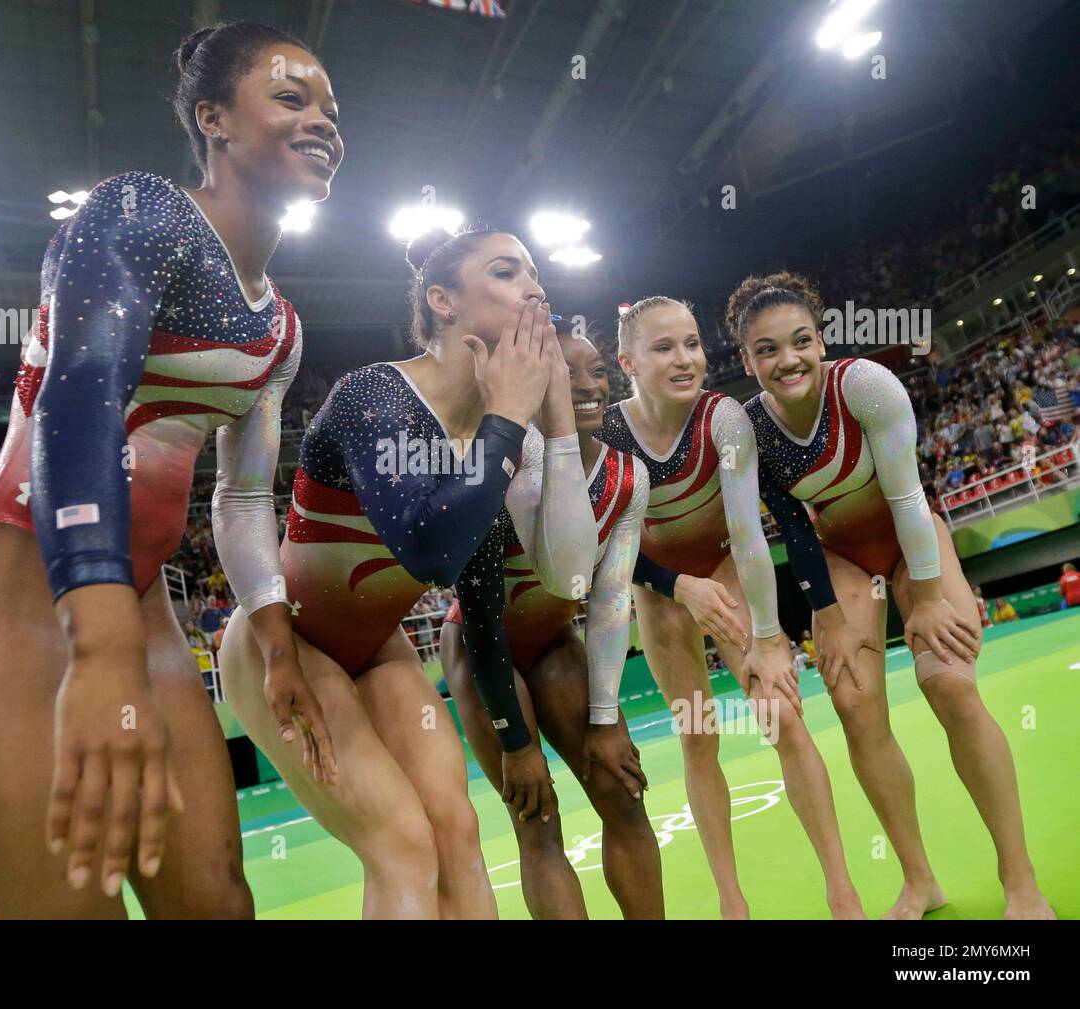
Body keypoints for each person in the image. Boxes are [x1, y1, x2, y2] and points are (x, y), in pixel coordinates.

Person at [0, 21, 344, 918]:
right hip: (11, 573)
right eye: (291, 99)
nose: (323, 122)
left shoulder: (282, 330)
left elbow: (246, 493)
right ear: (212, 119)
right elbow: (83, 395)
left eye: (332, 109)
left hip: (139, 606)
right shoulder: (141, 209)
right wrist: (96, 650)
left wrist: (274, 634)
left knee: (218, 904)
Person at [220, 228, 585, 918]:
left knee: (457, 833)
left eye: (537, 273)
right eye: (507, 272)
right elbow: (431, 549)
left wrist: (555, 417)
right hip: (286, 643)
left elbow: (526, 587)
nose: (535, 288)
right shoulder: (375, 395)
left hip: (377, 650)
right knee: (403, 844)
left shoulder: (496, 438)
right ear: (441, 300)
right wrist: (509, 417)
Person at [726, 270, 1053, 919]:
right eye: (767, 349)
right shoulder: (747, 429)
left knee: (951, 684)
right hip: (843, 558)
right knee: (853, 701)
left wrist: (927, 598)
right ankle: (918, 878)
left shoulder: (865, 387)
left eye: (800, 341)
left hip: (913, 544)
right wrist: (821, 614)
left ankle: (1021, 881)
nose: (787, 359)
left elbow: (908, 494)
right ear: (747, 359)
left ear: (820, 340)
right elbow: (789, 525)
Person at [598, 295, 862, 919]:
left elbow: (748, 534)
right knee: (698, 736)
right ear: (627, 359)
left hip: (724, 567)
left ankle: (843, 894)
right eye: (665, 348)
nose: (687, 359)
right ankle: (732, 903)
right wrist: (671, 585)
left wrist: (769, 638)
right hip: (658, 588)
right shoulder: (607, 433)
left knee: (784, 717)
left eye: (692, 343)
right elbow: (601, 552)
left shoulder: (723, 419)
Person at [439, 321, 661, 919]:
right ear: (534, 382)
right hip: (484, 653)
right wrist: (516, 740)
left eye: (597, 371)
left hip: (554, 641)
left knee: (623, 793)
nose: (589, 385)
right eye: (567, 373)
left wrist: (607, 718)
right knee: (537, 819)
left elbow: (613, 600)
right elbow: (481, 612)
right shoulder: (497, 465)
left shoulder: (628, 475)